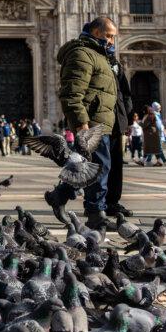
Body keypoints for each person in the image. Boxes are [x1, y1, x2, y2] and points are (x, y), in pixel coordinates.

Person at [48, 16, 122, 227]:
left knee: (85, 167)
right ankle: (95, 214)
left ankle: (59, 195)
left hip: (102, 120)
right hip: (92, 123)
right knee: (100, 167)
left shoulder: (99, 55)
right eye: (109, 36)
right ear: (96, 32)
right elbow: (72, 93)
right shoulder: (82, 54)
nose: (111, 41)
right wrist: (81, 123)